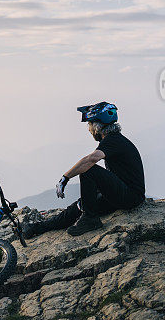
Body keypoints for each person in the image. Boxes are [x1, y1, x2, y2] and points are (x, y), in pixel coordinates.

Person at [23, 101, 146, 238]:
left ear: (97, 126)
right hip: (123, 194)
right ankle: (36, 228)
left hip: (130, 197)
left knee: (88, 170)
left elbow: (91, 160)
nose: (89, 129)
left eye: (89, 124)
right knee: (79, 206)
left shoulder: (113, 140)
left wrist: (65, 178)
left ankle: (90, 219)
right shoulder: (113, 140)